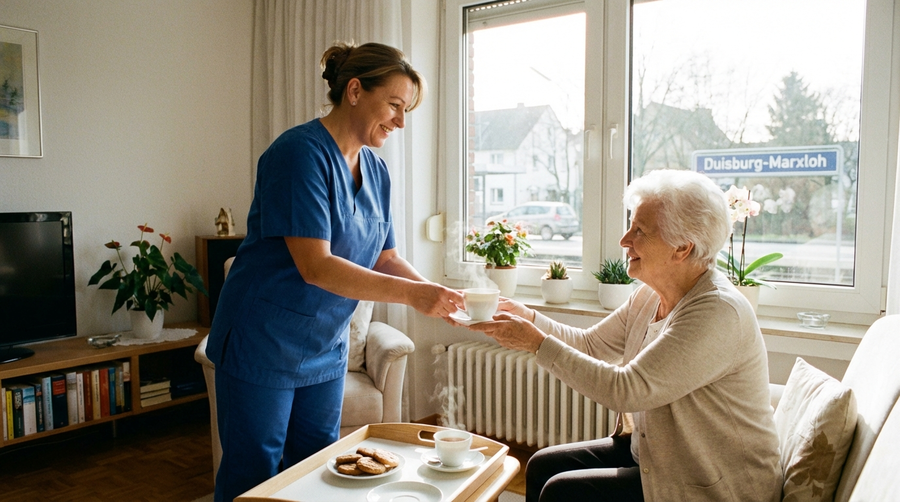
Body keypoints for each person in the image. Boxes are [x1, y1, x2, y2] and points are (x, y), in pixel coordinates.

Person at [205, 41, 464, 502]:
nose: (400, 122)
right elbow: (316, 266)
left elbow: (385, 257)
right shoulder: (298, 154)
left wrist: (436, 292)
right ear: (356, 91)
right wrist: (411, 296)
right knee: (255, 473)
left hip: (325, 345)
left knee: (319, 467)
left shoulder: (377, 171)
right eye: (394, 105)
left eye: (406, 111)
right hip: (262, 339)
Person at [464, 169, 782, 502]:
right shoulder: (649, 296)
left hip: (717, 483)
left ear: (682, 248)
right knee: (541, 466)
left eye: (639, 230)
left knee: (563, 493)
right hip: (658, 457)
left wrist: (534, 342)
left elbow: (627, 389)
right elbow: (590, 345)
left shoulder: (717, 311)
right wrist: (527, 317)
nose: (625, 240)